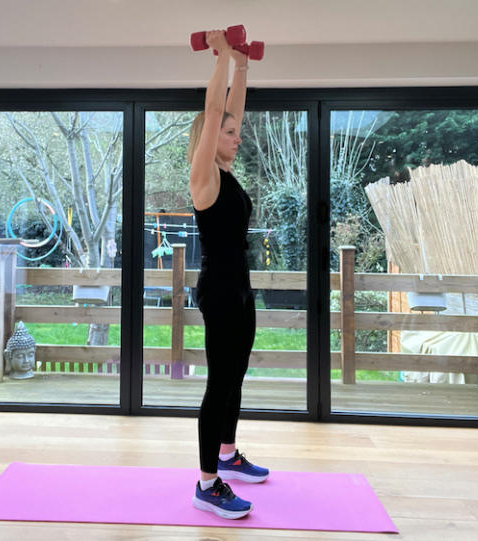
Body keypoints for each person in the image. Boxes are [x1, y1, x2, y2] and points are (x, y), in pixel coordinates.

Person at [187, 30, 269, 520]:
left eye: (238, 131)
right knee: (219, 383)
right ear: (209, 133)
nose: (238, 136)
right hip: (219, 288)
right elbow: (215, 108)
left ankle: (226, 454)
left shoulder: (227, 173)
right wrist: (220, 55)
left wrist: (242, 65)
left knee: (236, 373)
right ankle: (206, 483)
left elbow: (230, 107)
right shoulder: (204, 176)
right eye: (230, 131)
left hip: (240, 286)